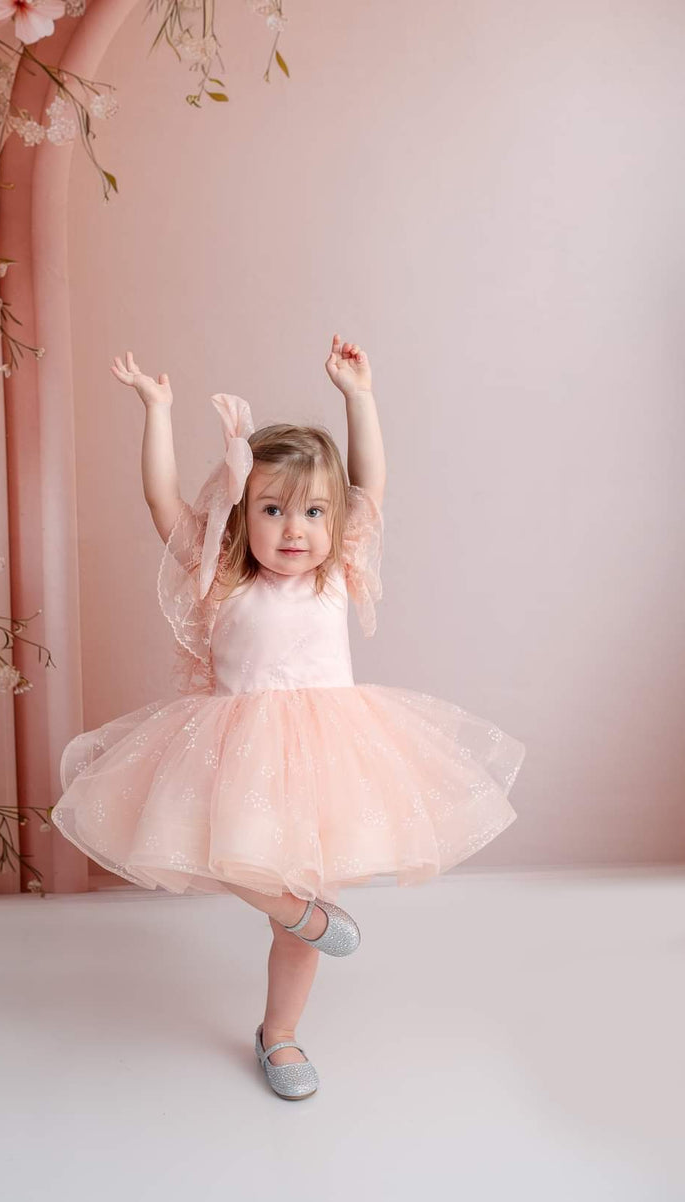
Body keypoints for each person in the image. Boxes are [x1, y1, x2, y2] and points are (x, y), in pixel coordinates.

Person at [51, 333, 526, 1101]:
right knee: (235, 860)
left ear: (335, 522)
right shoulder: (223, 579)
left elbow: (371, 484)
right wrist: (158, 412)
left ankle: (281, 1034)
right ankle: (304, 914)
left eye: (311, 512)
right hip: (234, 750)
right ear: (242, 514)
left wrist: (358, 397)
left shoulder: (335, 573)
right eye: (272, 510)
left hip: (332, 751)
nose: (294, 529)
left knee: (296, 910)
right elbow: (161, 505)